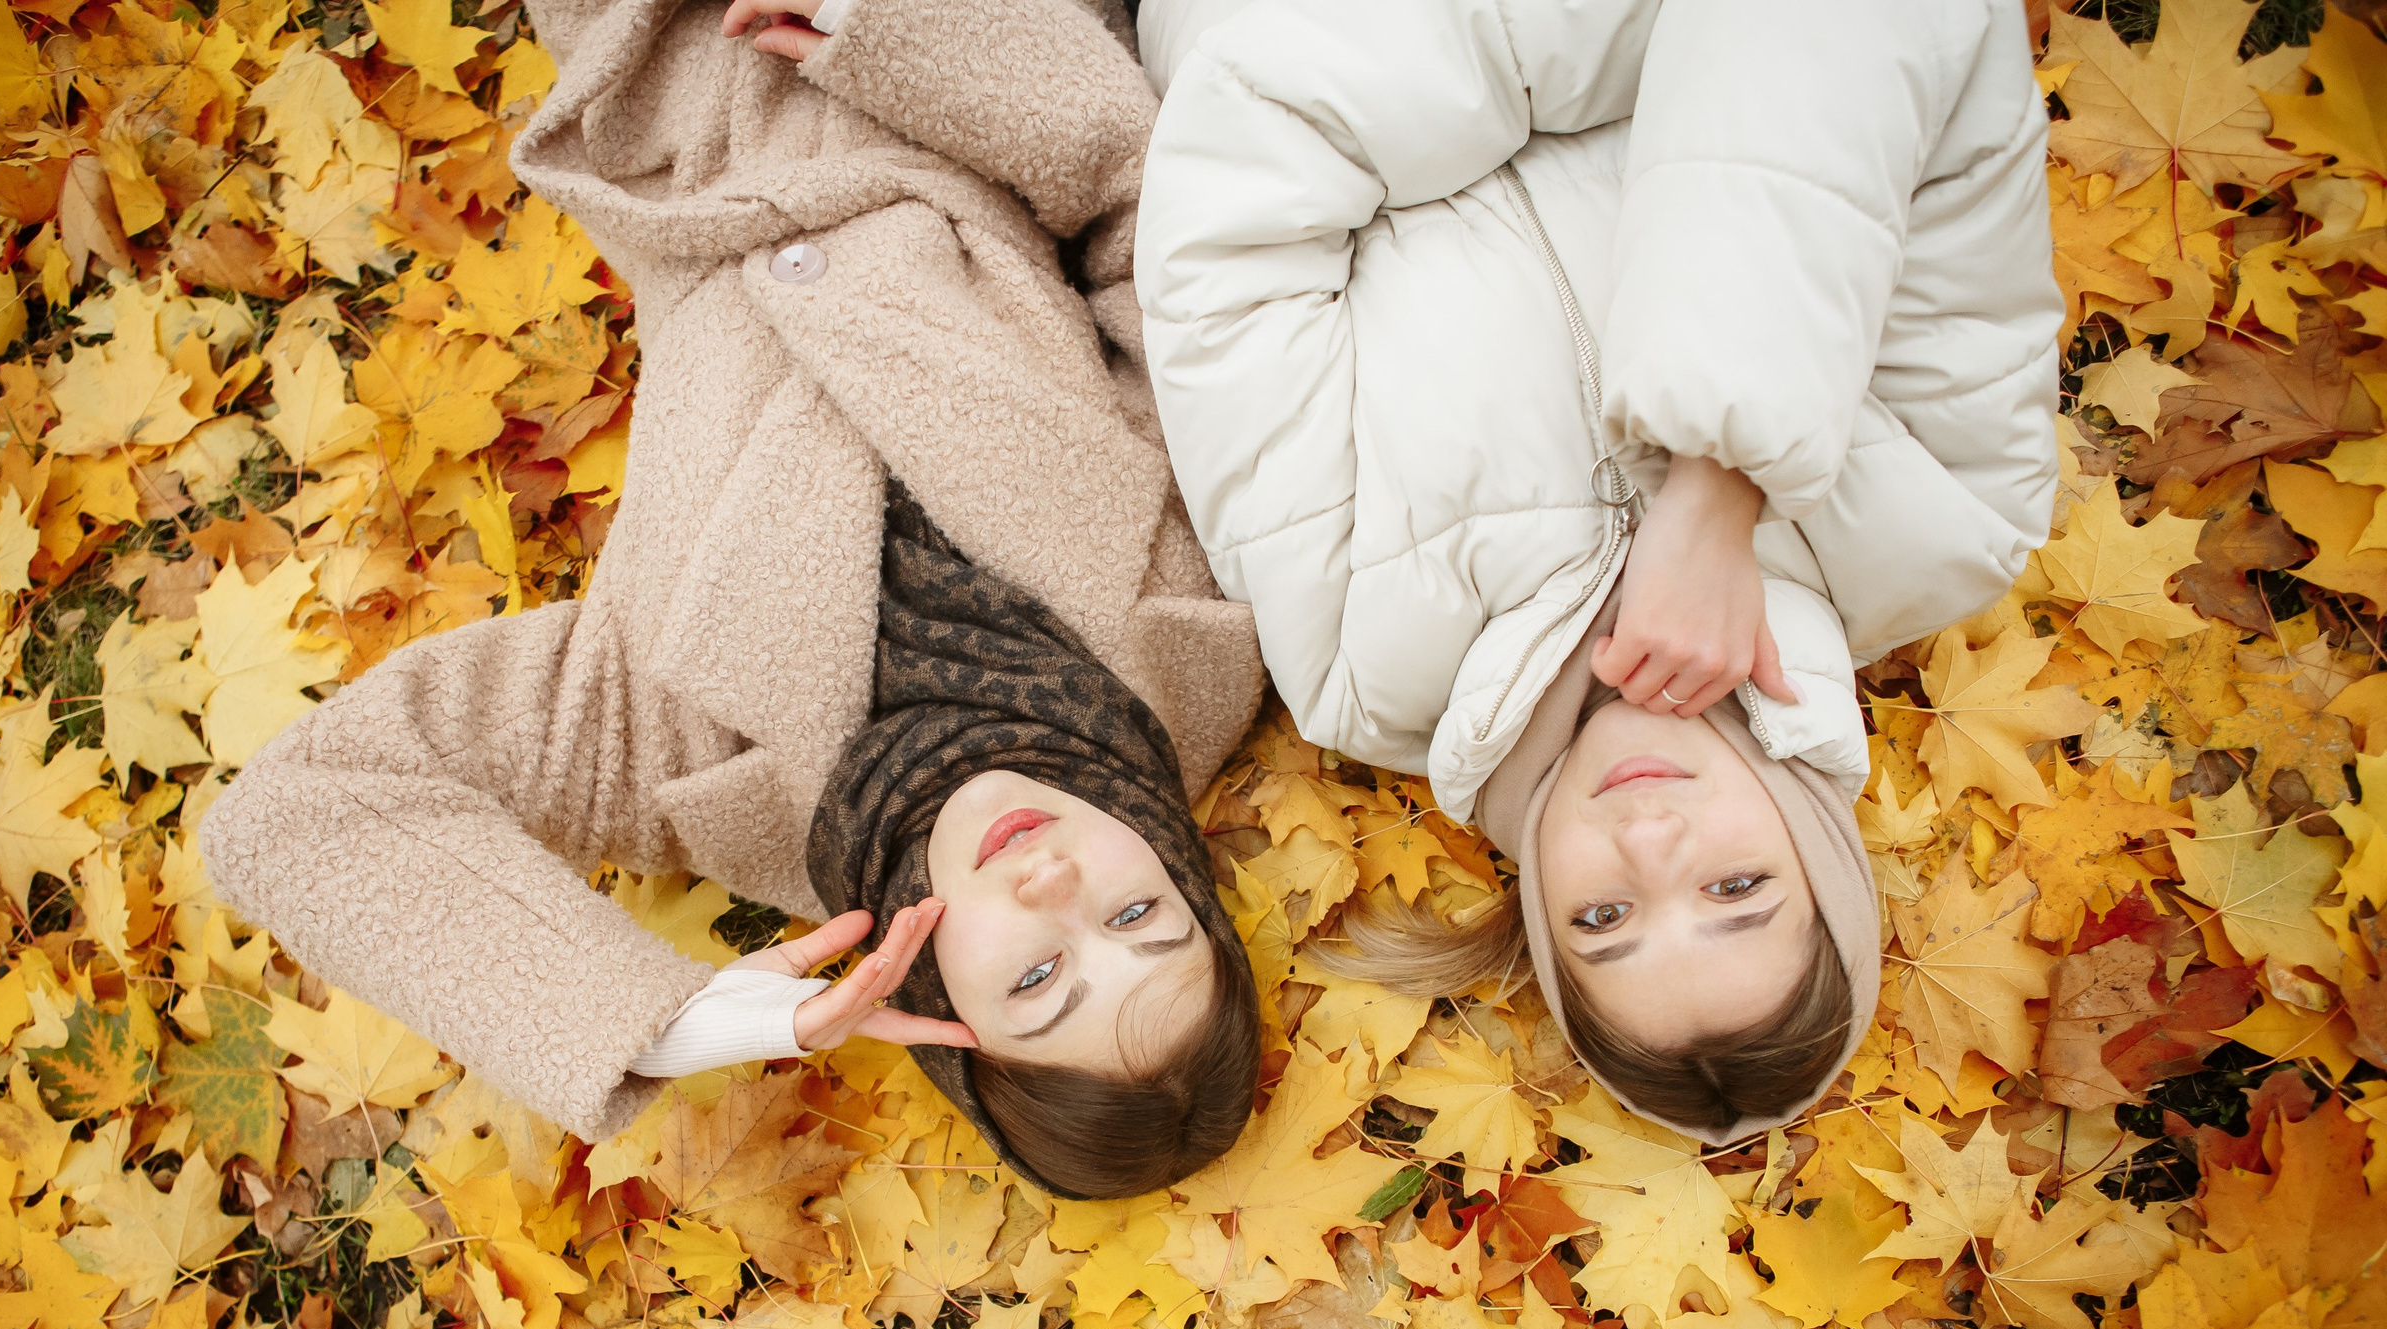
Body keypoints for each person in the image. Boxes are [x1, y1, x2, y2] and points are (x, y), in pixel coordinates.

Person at [200, 0, 1269, 1200]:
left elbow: (294, 813)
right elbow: (1147, 218)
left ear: (939, 1014)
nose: (1061, 892)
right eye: (1141, 917)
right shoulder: (1200, 626)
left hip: (668, 65)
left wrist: (671, 1020)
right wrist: (905, 37)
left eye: (1035, 981)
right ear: (1182, 869)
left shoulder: (677, 762)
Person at [1135, 0, 2060, 1139]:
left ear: (1536, 907)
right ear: (1817, 855)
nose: (1651, 843)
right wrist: (1724, 481)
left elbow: (1233, 194)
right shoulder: (1945, 515)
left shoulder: (1359, 667)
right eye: (1735, 892)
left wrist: (1642, 59)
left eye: (1604, 917)